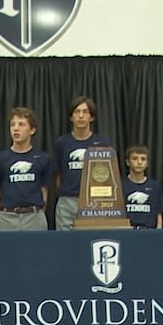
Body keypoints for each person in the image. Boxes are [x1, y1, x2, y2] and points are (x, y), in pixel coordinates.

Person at [0, 107, 51, 231]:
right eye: (12, 125)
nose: (16, 128)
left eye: (21, 124)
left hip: (34, 218)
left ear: (32, 130)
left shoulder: (42, 158)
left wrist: (37, 212)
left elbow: (44, 189)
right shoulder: (0, 159)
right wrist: (5, 211)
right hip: (6, 218)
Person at [52, 97, 107, 230]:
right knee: (65, 244)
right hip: (67, 201)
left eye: (85, 112)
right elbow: (57, 174)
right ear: (71, 117)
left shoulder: (101, 143)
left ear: (91, 117)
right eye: (77, 112)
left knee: (91, 242)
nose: (81, 116)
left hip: (93, 202)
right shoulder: (61, 143)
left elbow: (106, 177)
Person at [123, 145, 163, 229]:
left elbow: (158, 213)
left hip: (149, 231)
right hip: (127, 231)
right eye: (135, 159)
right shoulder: (120, 186)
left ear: (147, 163)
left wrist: (159, 230)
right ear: (128, 162)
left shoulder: (154, 186)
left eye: (143, 159)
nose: (139, 162)